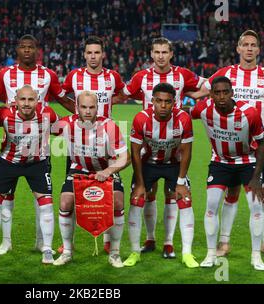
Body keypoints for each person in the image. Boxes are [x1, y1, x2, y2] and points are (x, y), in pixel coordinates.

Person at [192, 30, 264, 258]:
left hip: (259, 145)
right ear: (238, 48)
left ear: (259, 49)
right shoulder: (225, 74)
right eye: (245, 44)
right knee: (231, 193)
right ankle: (224, 242)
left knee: (262, 192)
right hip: (231, 145)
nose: (249, 49)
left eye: (253, 45)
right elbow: (201, 93)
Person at [0, 34, 74, 256]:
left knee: (42, 197)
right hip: (12, 144)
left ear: (37, 50)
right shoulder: (5, 74)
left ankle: (40, 242)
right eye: (23, 47)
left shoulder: (48, 75)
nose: (27, 51)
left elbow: (64, 100)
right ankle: (6, 242)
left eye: (31, 47)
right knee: (7, 196)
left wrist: (87, 116)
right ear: (17, 50)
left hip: (40, 147)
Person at [120, 37, 205, 257]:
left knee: (172, 194)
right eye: (156, 52)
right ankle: (149, 240)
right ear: (151, 54)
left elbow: (207, 86)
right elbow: (123, 94)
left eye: (164, 52)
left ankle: (168, 243)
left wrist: (193, 96)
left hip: (173, 146)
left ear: (171, 54)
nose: (160, 56)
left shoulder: (182, 75)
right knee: (148, 194)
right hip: (149, 144)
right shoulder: (141, 77)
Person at [189, 76, 264, 271]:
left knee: (255, 206)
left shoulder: (249, 113)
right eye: (217, 93)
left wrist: (257, 176)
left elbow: (263, 142)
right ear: (211, 95)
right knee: (211, 205)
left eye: (226, 92)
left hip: (247, 162)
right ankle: (210, 253)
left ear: (232, 93)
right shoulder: (204, 109)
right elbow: (184, 113)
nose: (222, 96)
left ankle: (256, 256)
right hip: (220, 162)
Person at [59, 36, 126, 254]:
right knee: (74, 193)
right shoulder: (75, 76)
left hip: (106, 142)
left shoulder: (113, 77)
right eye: (89, 53)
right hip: (79, 141)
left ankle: (108, 239)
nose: (93, 56)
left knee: (108, 191)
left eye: (97, 52)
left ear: (103, 54)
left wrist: (105, 110)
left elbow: (123, 95)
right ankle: (68, 243)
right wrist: (76, 113)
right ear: (85, 54)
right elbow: (60, 95)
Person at [0, 85, 58, 264]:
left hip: (37, 164)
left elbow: (63, 128)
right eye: (23, 99)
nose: (27, 103)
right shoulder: (4, 115)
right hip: (8, 162)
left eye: (31, 99)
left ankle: (46, 249)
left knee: (46, 205)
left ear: (37, 100)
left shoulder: (48, 114)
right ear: (15, 100)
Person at [124, 83, 198, 268]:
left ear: (174, 102)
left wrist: (181, 182)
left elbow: (187, 152)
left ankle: (184, 252)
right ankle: (136, 251)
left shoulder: (183, 119)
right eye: (159, 101)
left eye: (167, 102)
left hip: (174, 164)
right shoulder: (141, 119)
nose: (163, 106)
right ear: (153, 101)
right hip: (148, 164)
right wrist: (140, 183)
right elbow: (135, 152)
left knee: (184, 199)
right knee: (137, 199)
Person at [52, 91, 129, 268]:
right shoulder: (66, 124)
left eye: (91, 107)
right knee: (65, 202)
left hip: (105, 169)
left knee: (118, 202)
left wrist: (109, 171)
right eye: (84, 107)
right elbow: (41, 124)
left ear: (98, 108)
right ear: (77, 107)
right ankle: (67, 252)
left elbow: (125, 157)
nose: (87, 111)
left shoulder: (109, 126)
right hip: (79, 169)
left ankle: (115, 253)